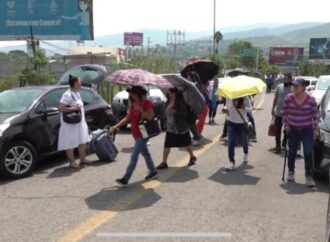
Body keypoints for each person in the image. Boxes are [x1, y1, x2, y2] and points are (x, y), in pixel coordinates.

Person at [112, 86, 158, 187]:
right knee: (145, 153)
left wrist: (141, 109)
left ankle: (126, 178)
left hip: (143, 134)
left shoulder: (146, 103)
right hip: (136, 134)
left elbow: (150, 116)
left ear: (138, 94)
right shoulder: (132, 104)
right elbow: (127, 118)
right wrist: (115, 127)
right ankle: (153, 171)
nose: (130, 95)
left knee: (134, 156)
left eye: (132, 93)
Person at [282, 78, 319, 187]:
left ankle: (309, 176)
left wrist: (316, 129)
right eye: (293, 86)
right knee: (292, 151)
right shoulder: (289, 98)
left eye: (296, 86)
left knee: (308, 152)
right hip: (292, 129)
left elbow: (315, 116)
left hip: (307, 129)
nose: (294, 88)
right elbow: (284, 112)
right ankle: (291, 172)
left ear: (303, 87)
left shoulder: (311, 100)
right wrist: (286, 124)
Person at [156, 88, 197, 169]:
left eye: (169, 92)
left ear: (174, 93)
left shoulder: (180, 102)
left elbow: (185, 113)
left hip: (180, 127)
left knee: (186, 144)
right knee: (167, 145)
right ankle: (164, 162)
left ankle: (192, 156)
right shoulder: (168, 101)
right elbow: (166, 114)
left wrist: (175, 112)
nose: (168, 93)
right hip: (170, 127)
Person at [58, 75, 91, 168]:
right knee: (70, 141)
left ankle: (83, 159)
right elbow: (61, 108)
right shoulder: (67, 94)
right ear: (75, 83)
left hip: (80, 122)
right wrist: (74, 108)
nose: (81, 84)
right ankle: (72, 162)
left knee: (82, 140)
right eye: (80, 82)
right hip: (70, 123)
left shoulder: (77, 93)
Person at [225, 96, 252, 170]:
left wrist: (244, 107)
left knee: (244, 141)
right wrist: (227, 108)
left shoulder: (245, 97)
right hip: (231, 123)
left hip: (242, 123)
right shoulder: (229, 97)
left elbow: (250, 109)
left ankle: (245, 153)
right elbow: (227, 107)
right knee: (231, 143)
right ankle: (231, 162)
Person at [271, 73, 293, 153]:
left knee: (287, 130)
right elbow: (275, 98)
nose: (285, 80)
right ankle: (278, 146)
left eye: (287, 78)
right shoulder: (279, 87)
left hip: (289, 114)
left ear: (290, 79)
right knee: (277, 130)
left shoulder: (293, 88)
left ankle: (284, 143)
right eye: (284, 78)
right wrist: (273, 108)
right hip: (278, 113)